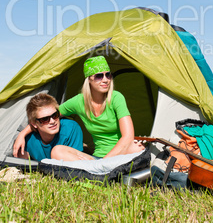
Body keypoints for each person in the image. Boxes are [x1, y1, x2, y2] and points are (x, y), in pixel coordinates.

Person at [14, 56, 144, 161]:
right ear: (89, 80)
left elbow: (128, 137)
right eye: (99, 76)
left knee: (136, 147)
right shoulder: (79, 101)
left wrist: (105, 163)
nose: (105, 80)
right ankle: (99, 171)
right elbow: (48, 116)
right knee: (57, 151)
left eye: (108, 75)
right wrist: (22, 134)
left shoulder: (116, 98)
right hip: (96, 158)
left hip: (118, 155)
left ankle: (97, 172)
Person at [13, 93, 84, 162]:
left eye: (55, 115)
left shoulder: (70, 128)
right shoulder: (28, 140)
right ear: (34, 124)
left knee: (57, 151)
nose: (52, 121)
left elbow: (78, 162)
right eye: (45, 119)